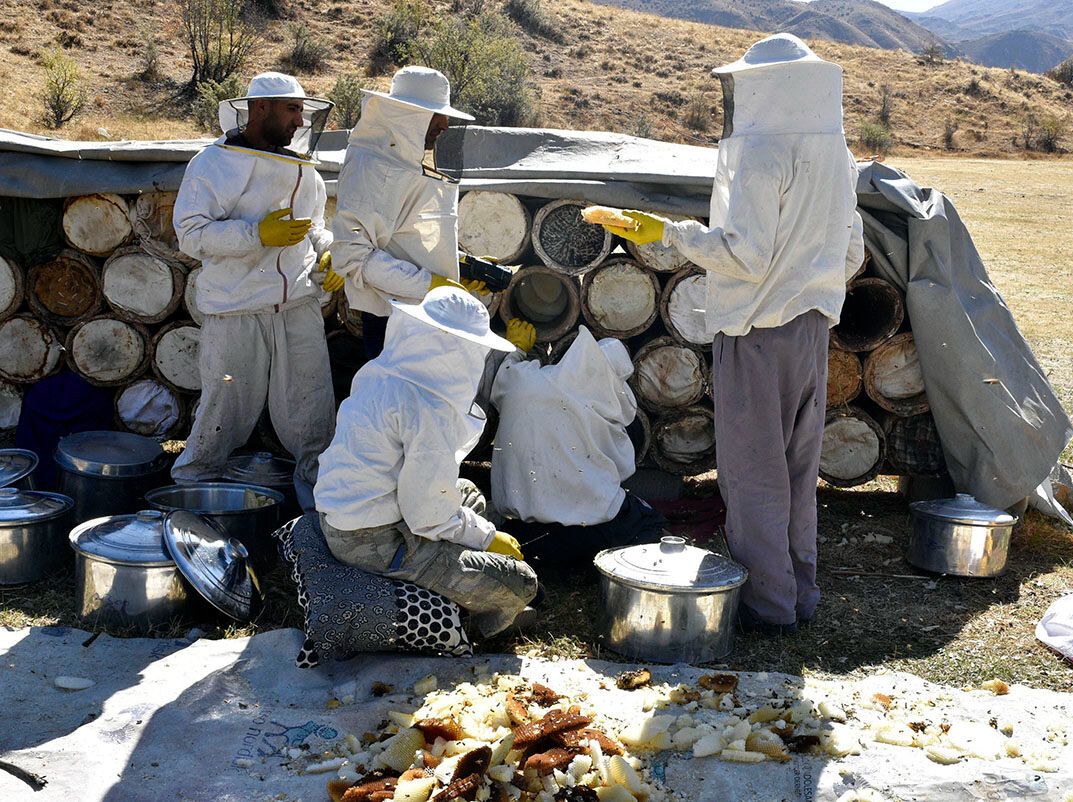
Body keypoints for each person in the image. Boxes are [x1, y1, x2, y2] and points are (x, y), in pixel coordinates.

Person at [602, 34, 864, 634]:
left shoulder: (762, 153)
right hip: (811, 332)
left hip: (755, 333)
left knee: (753, 477)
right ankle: (799, 596)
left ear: (760, 90)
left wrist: (670, 234)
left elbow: (743, 256)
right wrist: (806, 286)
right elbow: (850, 251)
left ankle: (766, 608)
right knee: (798, 474)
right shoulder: (836, 154)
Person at [313, 287, 538, 638]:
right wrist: (488, 538)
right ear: (459, 348)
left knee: (467, 493)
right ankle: (473, 622)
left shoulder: (378, 373)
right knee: (521, 583)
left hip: (347, 517)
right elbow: (427, 514)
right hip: (375, 541)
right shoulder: (425, 408)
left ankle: (443, 575)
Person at [172, 72, 339, 511]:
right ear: (260, 108)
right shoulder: (213, 163)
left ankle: (323, 520)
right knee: (221, 418)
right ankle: (187, 510)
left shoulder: (306, 170)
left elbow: (315, 229)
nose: (301, 120)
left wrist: (329, 254)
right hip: (236, 309)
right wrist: (255, 235)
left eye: (304, 110)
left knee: (314, 420)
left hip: (297, 308)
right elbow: (190, 235)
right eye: (293, 109)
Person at [331, 66, 489, 360]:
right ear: (407, 116)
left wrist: (463, 266)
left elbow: (407, 234)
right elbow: (355, 257)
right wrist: (430, 285)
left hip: (419, 312)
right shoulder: (371, 167)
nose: (444, 124)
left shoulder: (401, 161)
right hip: (392, 319)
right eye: (435, 115)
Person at [487, 326, 667, 571]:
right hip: (589, 534)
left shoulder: (524, 379)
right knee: (650, 522)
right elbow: (622, 470)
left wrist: (517, 348)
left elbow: (503, 375)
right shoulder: (602, 414)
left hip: (522, 532)